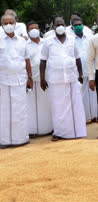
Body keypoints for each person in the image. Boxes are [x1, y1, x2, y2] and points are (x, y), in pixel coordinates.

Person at [40, 16, 87, 141]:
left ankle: (75, 132)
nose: (60, 26)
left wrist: (80, 74)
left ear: (65, 25)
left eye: (62, 24)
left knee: (74, 106)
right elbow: (43, 61)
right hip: (55, 79)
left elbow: (77, 58)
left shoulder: (71, 40)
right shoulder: (48, 41)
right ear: (53, 26)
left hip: (71, 78)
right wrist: (42, 79)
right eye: (57, 24)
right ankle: (59, 132)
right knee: (58, 107)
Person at [0, 14, 33, 149]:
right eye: (5, 23)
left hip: (20, 79)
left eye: (11, 22)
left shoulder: (22, 41)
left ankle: (21, 138)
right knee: (4, 111)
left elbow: (27, 60)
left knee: (20, 109)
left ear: (15, 24)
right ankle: (5, 140)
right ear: (2, 25)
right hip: (3, 80)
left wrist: (30, 77)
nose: (8, 25)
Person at [26, 21, 53, 138]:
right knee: (31, 106)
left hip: (45, 79)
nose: (34, 30)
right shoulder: (25, 45)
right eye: (31, 28)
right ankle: (32, 130)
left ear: (39, 29)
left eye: (36, 28)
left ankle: (48, 128)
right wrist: (28, 78)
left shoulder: (45, 43)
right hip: (31, 79)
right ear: (27, 31)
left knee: (46, 105)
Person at [72, 17, 98, 123]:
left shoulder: (90, 38)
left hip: (92, 70)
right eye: (76, 25)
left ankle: (95, 115)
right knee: (81, 95)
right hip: (79, 72)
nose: (78, 26)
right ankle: (83, 117)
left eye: (80, 24)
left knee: (93, 94)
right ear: (72, 27)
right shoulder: (70, 39)